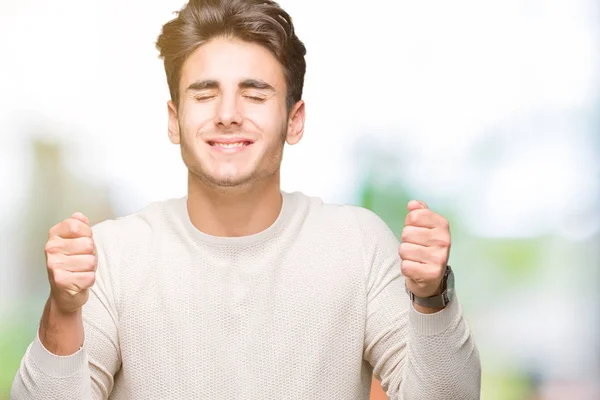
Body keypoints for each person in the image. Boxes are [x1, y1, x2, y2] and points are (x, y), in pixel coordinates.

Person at [11, 0, 481, 398]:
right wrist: (64, 311)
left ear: (294, 120)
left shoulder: (358, 245)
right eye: (205, 93)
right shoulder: (111, 255)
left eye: (254, 95)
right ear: (174, 120)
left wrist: (431, 297)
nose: (229, 115)